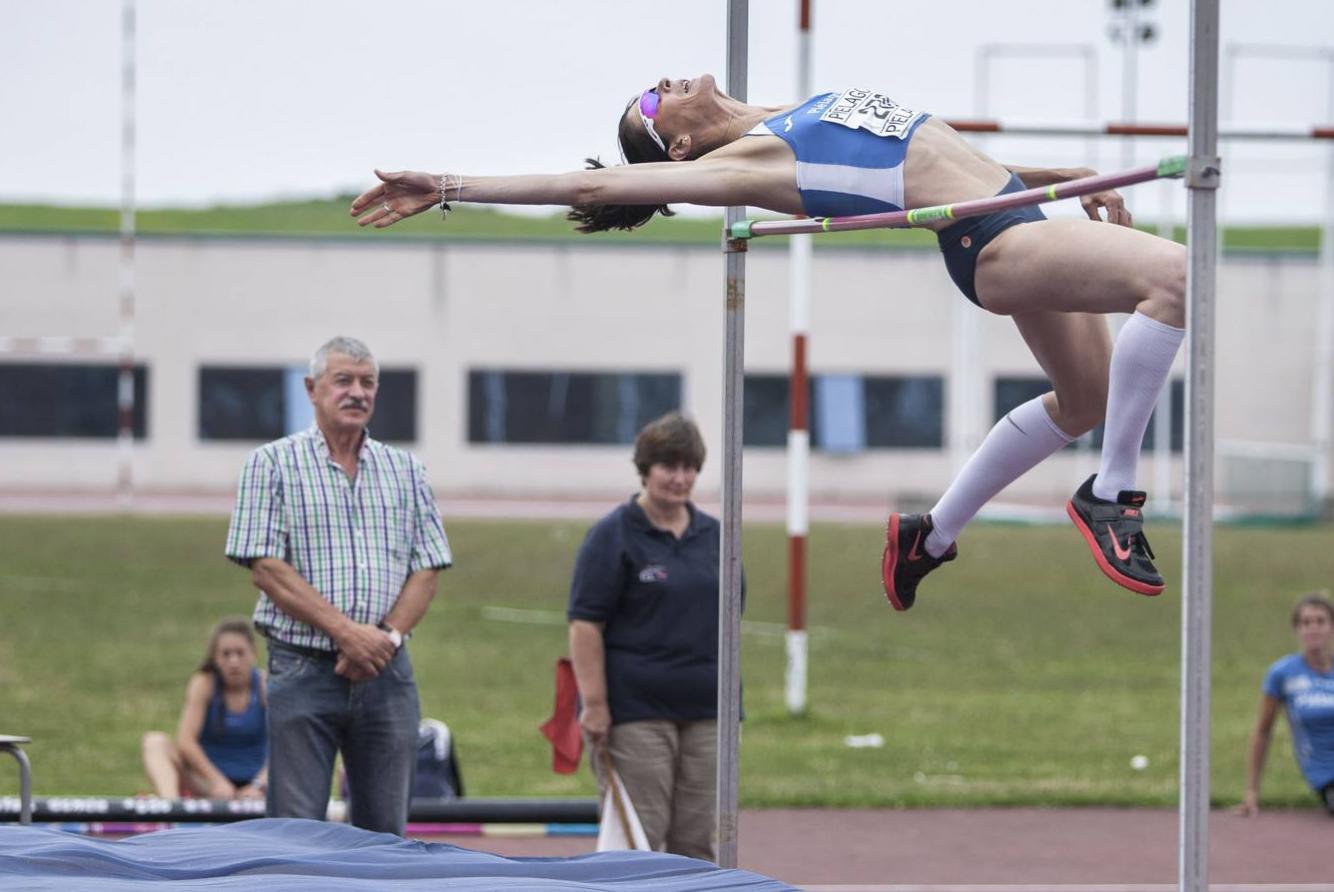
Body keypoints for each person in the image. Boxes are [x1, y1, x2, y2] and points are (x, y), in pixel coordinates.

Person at [352, 76, 1186, 611]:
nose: (664, 81)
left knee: (1084, 399)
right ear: (676, 148)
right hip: (997, 248)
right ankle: (1111, 493)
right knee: (1180, 279)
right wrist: (451, 185)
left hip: (1016, 212)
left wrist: (1071, 186)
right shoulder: (754, 162)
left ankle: (927, 537)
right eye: (651, 101)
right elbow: (594, 183)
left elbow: (944, 154)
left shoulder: (792, 107)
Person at [224, 335, 453, 835]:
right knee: (295, 831)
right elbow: (265, 566)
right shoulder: (272, 465)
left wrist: (385, 639)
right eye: (343, 380)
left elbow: (429, 566)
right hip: (303, 668)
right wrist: (347, 632)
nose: (357, 392)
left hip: (387, 673)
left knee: (385, 833)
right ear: (312, 389)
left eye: (367, 382)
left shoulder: (405, 470)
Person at [566, 412, 733, 861]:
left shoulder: (717, 537)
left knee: (698, 839)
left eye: (689, 468)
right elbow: (585, 625)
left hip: (707, 711)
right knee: (641, 836)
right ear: (645, 468)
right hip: (635, 712)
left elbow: (731, 619)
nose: (679, 478)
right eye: (668, 466)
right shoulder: (612, 535)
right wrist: (596, 706)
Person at [141, 617, 268, 799]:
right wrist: (217, 781)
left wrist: (259, 785)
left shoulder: (265, 685)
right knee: (154, 742)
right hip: (210, 784)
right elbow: (186, 741)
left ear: (253, 654)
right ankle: (170, 809)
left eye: (240, 653)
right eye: (226, 654)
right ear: (215, 658)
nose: (233, 662)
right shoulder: (204, 684)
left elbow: (285, 745)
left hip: (256, 786)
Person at [1240, 592, 1334, 817]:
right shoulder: (1283, 674)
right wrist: (1252, 791)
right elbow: (1263, 732)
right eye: (1306, 622)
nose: (1314, 628)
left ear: (1331, 627)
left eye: (1320, 621)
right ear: (1297, 630)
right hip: (1326, 773)